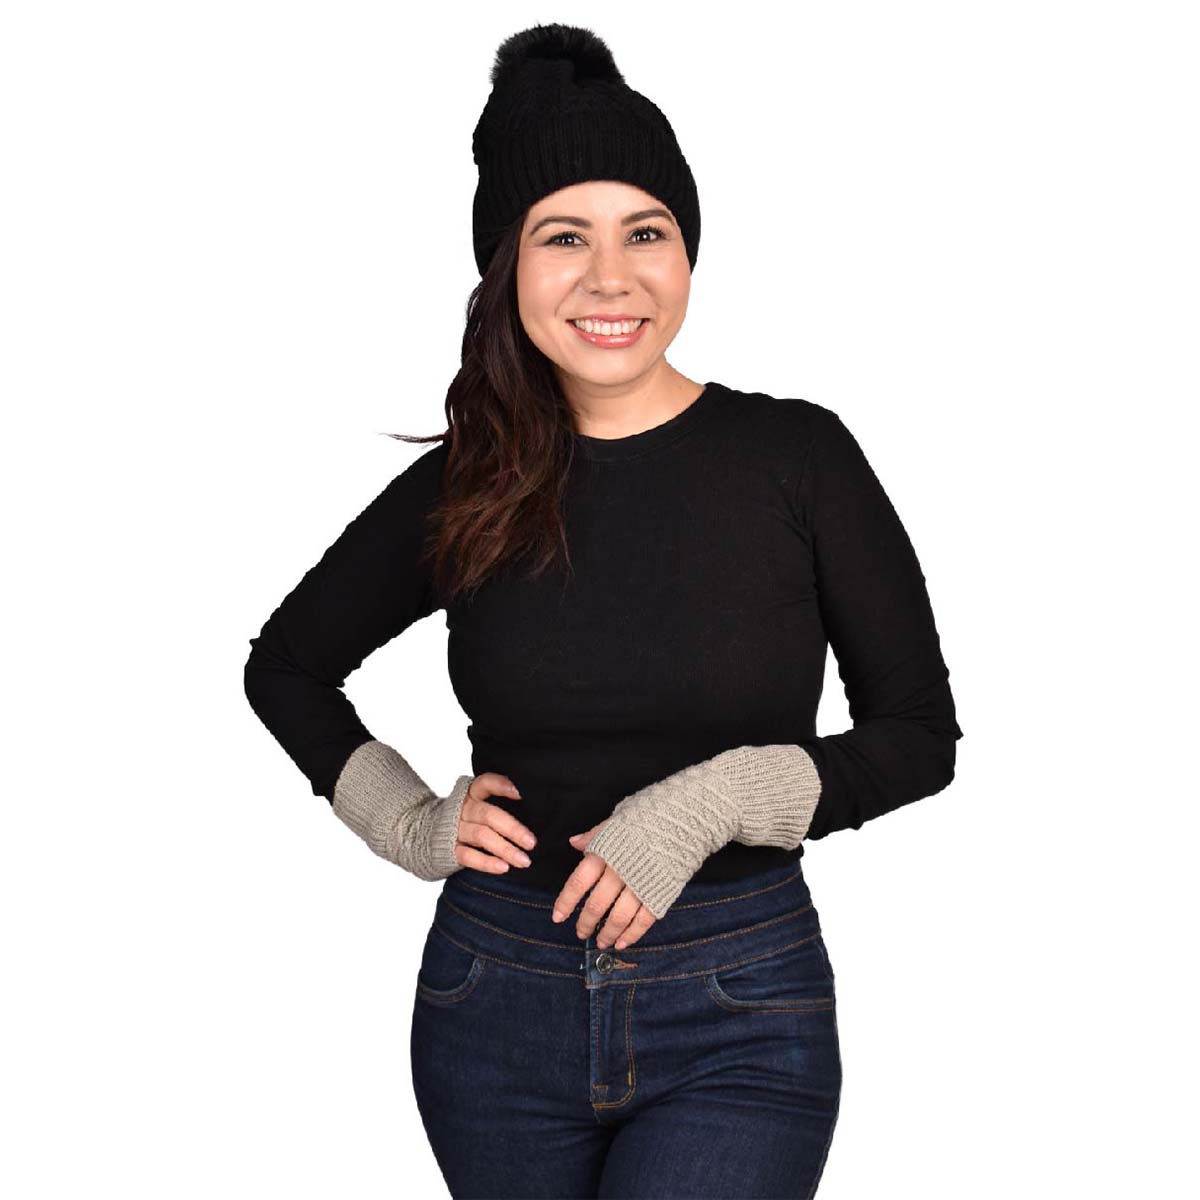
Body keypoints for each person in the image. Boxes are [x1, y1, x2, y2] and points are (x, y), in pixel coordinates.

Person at [243, 22, 963, 1200]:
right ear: (508, 268)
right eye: (563, 237)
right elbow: (286, 666)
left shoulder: (798, 459)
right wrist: (407, 820)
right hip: (494, 1002)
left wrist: (715, 802)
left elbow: (919, 737)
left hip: (740, 1004)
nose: (611, 278)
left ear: (687, 252)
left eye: (647, 232)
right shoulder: (466, 484)